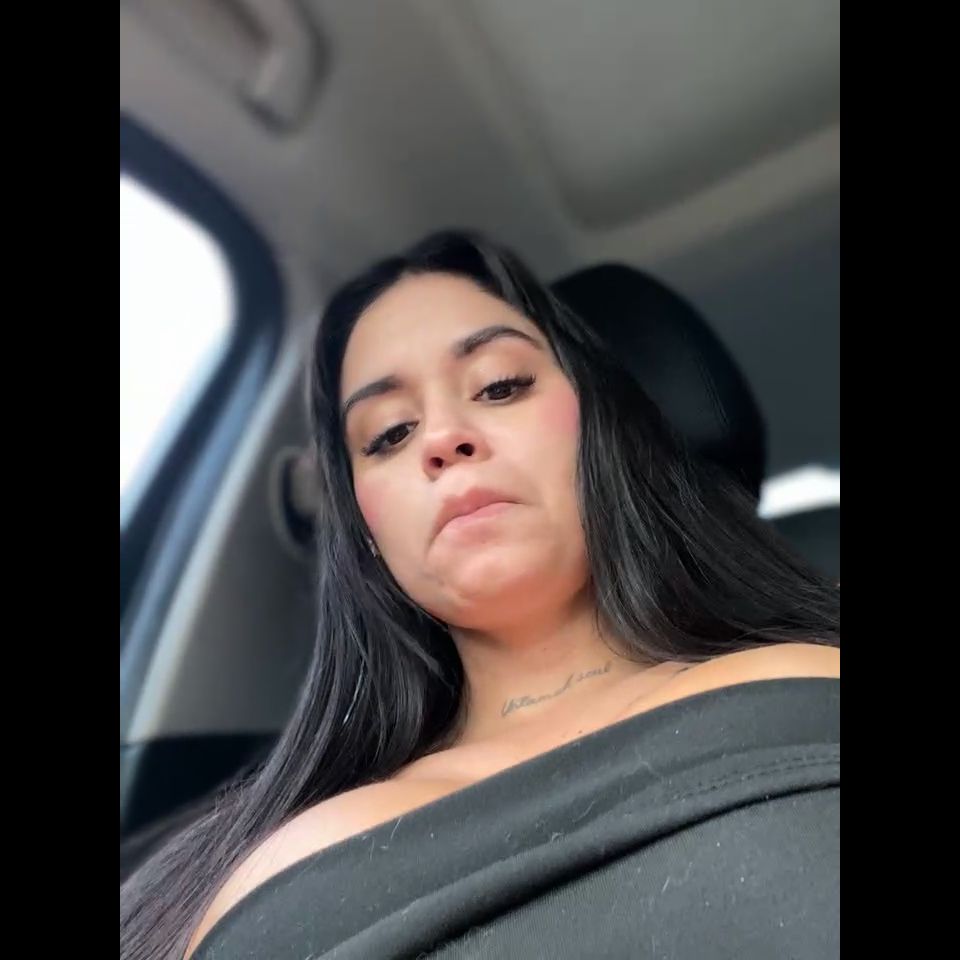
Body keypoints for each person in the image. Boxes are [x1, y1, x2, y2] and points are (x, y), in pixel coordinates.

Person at [121, 230, 840, 960]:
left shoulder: (816, 677)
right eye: (390, 434)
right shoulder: (230, 869)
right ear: (365, 527)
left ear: (603, 429)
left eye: (500, 386)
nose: (442, 438)